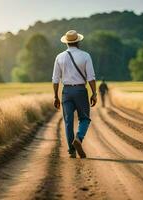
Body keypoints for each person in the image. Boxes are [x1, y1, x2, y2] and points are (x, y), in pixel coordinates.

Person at [52, 30, 97, 158]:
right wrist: (94, 93)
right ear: (78, 42)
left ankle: (71, 151)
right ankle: (79, 138)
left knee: (68, 121)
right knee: (85, 118)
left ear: (66, 43)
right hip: (81, 90)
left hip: (66, 91)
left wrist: (55, 96)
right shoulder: (85, 56)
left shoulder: (59, 57)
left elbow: (55, 79)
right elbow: (91, 77)